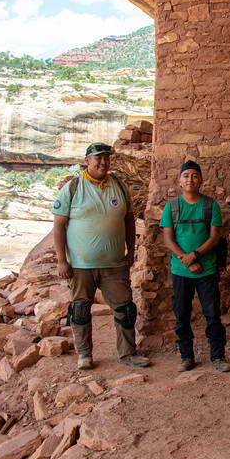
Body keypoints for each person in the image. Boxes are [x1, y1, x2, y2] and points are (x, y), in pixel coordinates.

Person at [52, 142, 150, 370]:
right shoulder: (74, 187)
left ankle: (127, 353)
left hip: (114, 264)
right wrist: (61, 261)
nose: (103, 162)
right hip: (80, 264)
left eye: (106, 158)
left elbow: (129, 220)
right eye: (98, 158)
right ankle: (84, 354)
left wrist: (131, 250)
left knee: (125, 309)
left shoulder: (119, 186)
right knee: (80, 309)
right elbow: (58, 226)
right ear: (87, 161)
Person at [160, 160, 230, 373]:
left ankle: (217, 356)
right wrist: (187, 260)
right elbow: (168, 240)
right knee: (182, 315)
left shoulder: (210, 206)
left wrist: (196, 255)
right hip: (181, 271)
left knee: (212, 315)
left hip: (206, 269)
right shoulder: (172, 207)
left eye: (194, 175)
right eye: (186, 176)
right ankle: (186, 356)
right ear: (179, 181)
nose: (190, 179)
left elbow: (214, 237)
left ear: (201, 180)